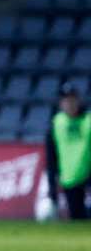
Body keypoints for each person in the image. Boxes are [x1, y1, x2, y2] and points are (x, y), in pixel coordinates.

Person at [46, 83, 90, 219]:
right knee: (77, 218)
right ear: (61, 103)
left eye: (72, 99)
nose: (69, 104)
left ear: (78, 100)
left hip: (88, 176)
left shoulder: (88, 120)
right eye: (66, 100)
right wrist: (52, 184)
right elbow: (51, 156)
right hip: (69, 178)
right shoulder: (57, 123)